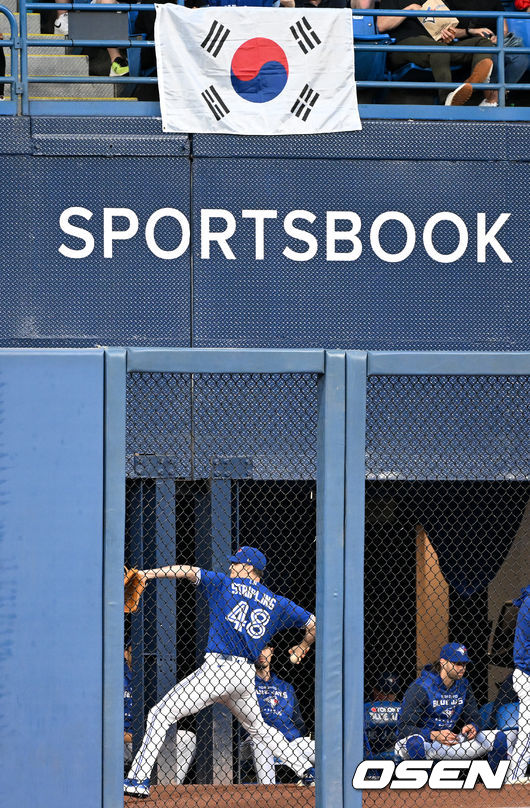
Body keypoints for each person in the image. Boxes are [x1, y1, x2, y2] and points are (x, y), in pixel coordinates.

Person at [124, 546, 316, 797]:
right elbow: (314, 623)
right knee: (259, 728)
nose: (231, 566)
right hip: (244, 676)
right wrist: (302, 647)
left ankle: (138, 779)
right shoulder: (278, 602)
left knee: (160, 714)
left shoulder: (224, 583)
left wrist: (148, 574)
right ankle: (306, 770)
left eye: (236, 563)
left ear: (249, 568)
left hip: (218, 670)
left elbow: (187, 571)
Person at [395, 642, 516, 770]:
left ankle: (495, 780)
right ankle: (426, 782)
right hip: (423, 743)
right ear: (443, 662)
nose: (462, 668)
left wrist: (473, 726)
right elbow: (403, 728)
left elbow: (475, 717)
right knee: (415, 743)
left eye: (464, 664)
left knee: (499, 737)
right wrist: (434, 735)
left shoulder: (463, 685)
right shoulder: (421, 687)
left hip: (450, 742)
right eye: (457, 664)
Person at [377, 0, 496, 105]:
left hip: (438, 46)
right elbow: (381, 25)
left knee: (482, 42)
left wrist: (463, 32)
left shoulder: (437, 1)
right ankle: (448, 100)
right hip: (404, 46)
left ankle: (474, 83)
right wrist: (411, 8)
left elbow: (449, 30)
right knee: (439, 49)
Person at [124, 643, 197, 783]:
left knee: (188, 738)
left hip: (152, 738)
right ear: (126, 654)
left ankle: (170, 787)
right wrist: (137, 738)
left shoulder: (156, 675)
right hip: (124, 742)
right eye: (134, 652)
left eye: (142, 653)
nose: (139, 656)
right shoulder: (116, 678)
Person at [249, 645, 315, 784]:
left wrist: (300, 736)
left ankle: (318, 781)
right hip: (260, 741)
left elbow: (298, 721)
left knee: (321, 748)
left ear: (272, 651)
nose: (261, 653)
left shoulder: (286, 687)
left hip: (292, 743)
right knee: (260, 739)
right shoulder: (247, 685)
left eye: (264, 648)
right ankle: (268, 790)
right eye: (257, 648)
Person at [452, 0, 529, 106]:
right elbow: (450, 31)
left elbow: (504, 29)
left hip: (495, 42)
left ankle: (494, 99)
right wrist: (471, 31)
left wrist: (497, 37)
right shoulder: (452, 2)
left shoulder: (493, 1)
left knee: (522, 59)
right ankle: (491, 101)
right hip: (472, 43)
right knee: (494, 60)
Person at [506, 584, 530, 784]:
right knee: (528, 731)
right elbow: (523, 656)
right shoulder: (529, 603)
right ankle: (513, 779)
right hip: (527, 675)